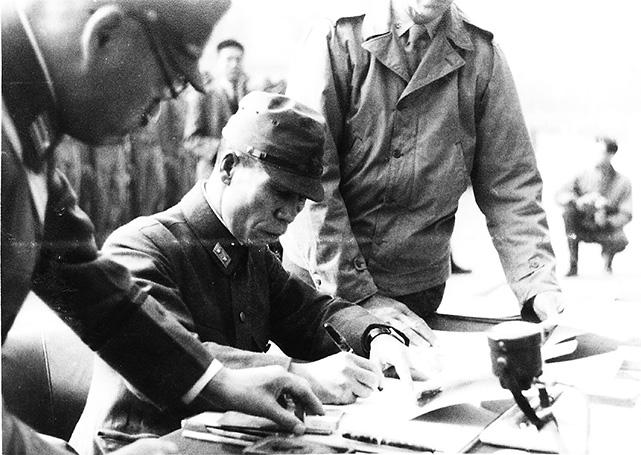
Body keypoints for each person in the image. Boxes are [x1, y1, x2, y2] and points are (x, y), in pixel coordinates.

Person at [1, 1, 324, 454]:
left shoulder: (23, 117)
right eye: (162, 90)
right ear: (105, 36)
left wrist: (217, 382)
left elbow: (92, 288)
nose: (152, 117)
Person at [71, 91, 426, 454]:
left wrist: (376, 336)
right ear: (228, 167)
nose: (290, 214)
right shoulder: (142, 246)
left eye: (300, 200)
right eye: (280, 191)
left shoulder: (253, 252)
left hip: (222, 440)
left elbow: (312, 313)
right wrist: (298, 373)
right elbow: (171, 357)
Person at [281, 0, 565, 345]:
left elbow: (511, 184)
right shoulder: (335, 38)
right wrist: (361, 297)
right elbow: (309, 179)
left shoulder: (482, 54)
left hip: (416, 294)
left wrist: (538, 286)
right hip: (319, 286)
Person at [556, 136, 632, 276]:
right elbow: (560, 195)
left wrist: (607, 220)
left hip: (605, 229)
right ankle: (573, 264)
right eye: (594, 152)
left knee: (620, 240)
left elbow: (626, 213)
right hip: (582, 226)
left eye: (600, 152)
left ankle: (607, 264)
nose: (596, 156)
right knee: (568, 214)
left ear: (610, 154)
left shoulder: (622, 182)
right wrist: (578, 201)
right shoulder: (582, 175)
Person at [184, 39, 249, 181]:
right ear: (218, 62)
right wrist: (224, 148)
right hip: (212, 174)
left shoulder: (250, 95)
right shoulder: (203, 95)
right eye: (229, 59)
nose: (234, 64)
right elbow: (191, 139)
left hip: (243, 176)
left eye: (238, 60)